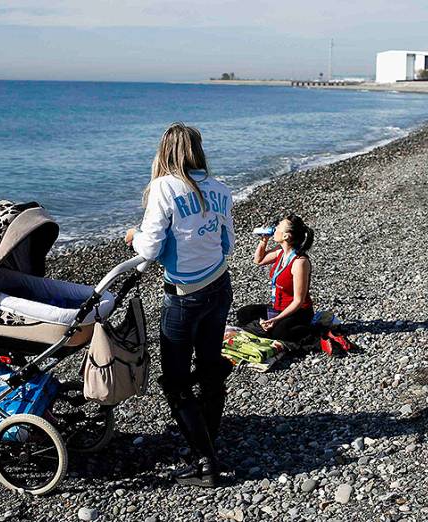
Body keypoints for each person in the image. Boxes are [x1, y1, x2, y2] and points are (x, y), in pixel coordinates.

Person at [124, 123, 234, 487]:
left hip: (185, 298)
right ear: (198, 151)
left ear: (165, 151)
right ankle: (206, 441)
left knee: (175, 381)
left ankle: (206, 461)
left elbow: (149, 249)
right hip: (219, 286)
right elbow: (227, 244)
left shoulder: (164, 187)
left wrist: (132, 237)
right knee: (209, 368)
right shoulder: (220, 189)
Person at [235, 214, 314, 343]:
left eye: (278, 227)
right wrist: (263, 241)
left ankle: (309, 330)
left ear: (286, 236)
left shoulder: (300, 262)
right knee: (244, 313)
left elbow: (298, 301)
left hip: (298, 311)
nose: (274, 229)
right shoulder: (280, 251)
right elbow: (258, 260)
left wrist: (276, 319)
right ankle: (269, 326)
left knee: (280, 332)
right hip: (277, 307)